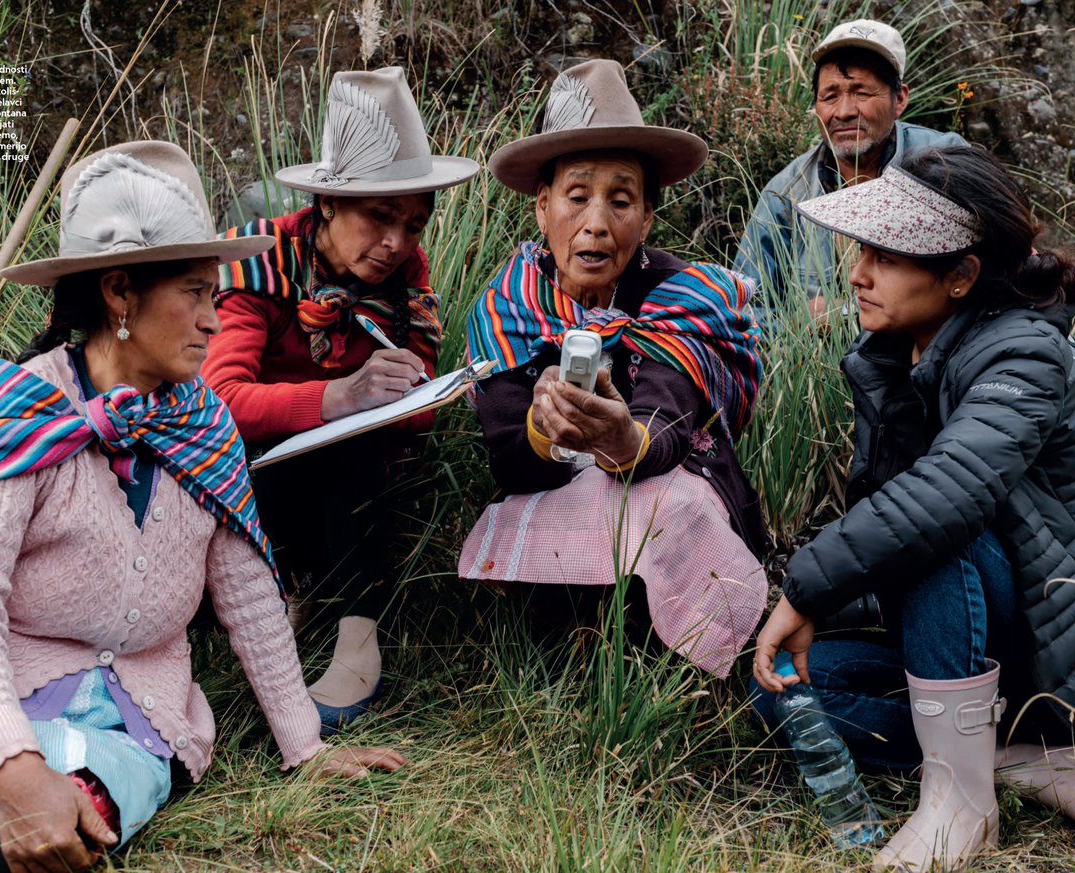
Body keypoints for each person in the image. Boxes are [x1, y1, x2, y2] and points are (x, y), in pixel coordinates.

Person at [0, 141, 405, 873]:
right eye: (194, 293)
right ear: (120, 293)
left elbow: (249, 595)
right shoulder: (18, 414)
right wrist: (15, 766)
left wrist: (306, 745)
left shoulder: (204, 426)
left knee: (27, 849)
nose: (213, 323)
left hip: (118, 713)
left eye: (214, 297)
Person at [750, 145, 1075, 871]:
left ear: (960, 276)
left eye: (886, 257)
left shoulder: (1026, 352)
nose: (857, 273)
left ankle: (960, 799)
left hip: (1044, 651)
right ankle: (1018, 756)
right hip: (963, 649)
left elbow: (941, 498)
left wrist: (809, 583)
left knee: (938, 533)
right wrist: (804, 606)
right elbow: (887, 525)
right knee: (786, 691)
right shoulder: (900, 353)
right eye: (861, 250)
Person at [459, 59, 768, 677]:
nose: (596, 222)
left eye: (621, 200)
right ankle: (565, 653)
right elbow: (507, 455)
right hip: (558, 498)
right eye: (577, 197)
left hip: (673, 487)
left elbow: (668, 412)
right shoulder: (508, 307)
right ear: (542, 210)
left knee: (664, 499)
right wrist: (546, 429)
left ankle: (695, 660)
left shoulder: (685, 295)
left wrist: (621, 436)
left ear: (647, 218)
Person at [202, 67, 478, 731]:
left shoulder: (407, 274)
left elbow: (420, 405)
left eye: (414, 224)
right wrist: (338, 395)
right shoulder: (260, 259)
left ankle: (359, 636)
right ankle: (282, 595)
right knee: (344, 433)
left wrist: (385, 397)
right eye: (379, 217)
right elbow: (218, 401)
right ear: (326, 201)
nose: (396, 244)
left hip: (354, 482)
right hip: (243, 481)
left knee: (360, 446)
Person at [733, 19, 966, 319]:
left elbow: (988, 271)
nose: (843, 112)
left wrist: (840, 315)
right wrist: (798, 329)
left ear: (900, 100)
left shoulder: (945, 161)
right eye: (830, 96)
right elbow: (743, 311)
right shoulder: (785, 194)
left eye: (862, 93)